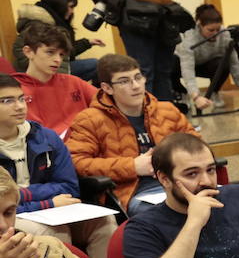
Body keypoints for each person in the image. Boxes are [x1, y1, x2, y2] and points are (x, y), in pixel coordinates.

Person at [0, 77, 115, 258]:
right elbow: (4, 203)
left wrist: (22, 193)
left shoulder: (45, 136)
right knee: (52, 233)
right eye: (7, 101)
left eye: (21, 98)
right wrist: (47, 203)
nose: (19, 106)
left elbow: (69, 187)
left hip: (51, 209)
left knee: (104, 223)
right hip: (12, 216)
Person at [67, 54, 197, 215]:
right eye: (124, 81)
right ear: (107, 88)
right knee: (165, 214)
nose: (135, 86)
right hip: (136, 192)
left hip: (181, 184)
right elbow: (76, 163)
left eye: (138, 77)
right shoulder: (89, 120)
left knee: (229, 197)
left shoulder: (167, 110)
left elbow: (197, 146)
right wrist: (133, 166)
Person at [14, 25, 97, 137]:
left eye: (61, 54)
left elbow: (106, 103)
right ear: (28, 52)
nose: (58, 60)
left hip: (86, 142)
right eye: (50, 52)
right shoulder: (13, 89)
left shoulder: (73, 82)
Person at [10, 0, 104, 81]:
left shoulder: (55, 24)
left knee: (98, 66)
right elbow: (19, 49)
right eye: (70, 7)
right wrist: (43, 67)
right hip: (44, 75)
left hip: (56, 70)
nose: (72, 11)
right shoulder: (37, 25)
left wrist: (88, 42)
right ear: (59, 5)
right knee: (97, 65)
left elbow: (66, 52)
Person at [175, 4, 239, 115]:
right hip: (181, 65)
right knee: (169, 65)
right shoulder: (189, 38)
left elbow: (234, 62)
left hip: (207, 64)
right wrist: (196, 96)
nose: (215, 34)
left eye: (218, 29)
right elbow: (187, 71)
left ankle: (214, 93)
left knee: (223, 63)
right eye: (211, 30)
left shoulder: (224, 34)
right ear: (200, 25)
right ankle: (182, 93)